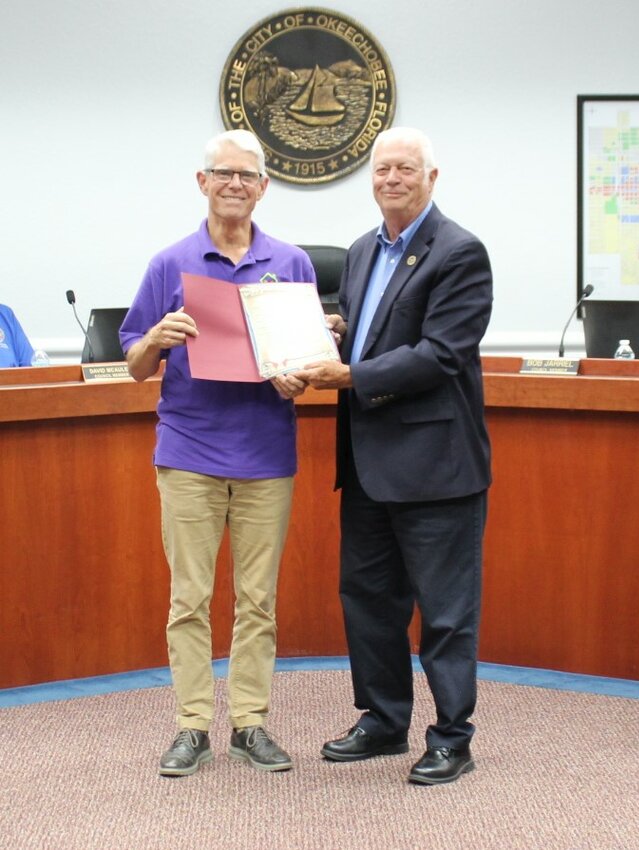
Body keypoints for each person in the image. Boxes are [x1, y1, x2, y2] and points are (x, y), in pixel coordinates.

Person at [293, 127, 493, 785]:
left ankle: (451, 739)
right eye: (382, 169)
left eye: (406, 168)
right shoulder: (359, 252)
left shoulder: (460, 252)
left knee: (445, 612)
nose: (391, 179)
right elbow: (366, 328)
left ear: (432, 177)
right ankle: (383, 722)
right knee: (369, 599)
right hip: (368, 465)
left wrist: (352, 376)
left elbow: (441, 352)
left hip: (437, 466)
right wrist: (334, 330)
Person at [119, 129, 315, 777]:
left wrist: (301, 375)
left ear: (263, 188)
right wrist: (156, 336)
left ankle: (251, 723)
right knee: (190, 598)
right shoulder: (167, 264)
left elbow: (307, 364)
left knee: (258, 599)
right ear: (201, 182)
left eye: (247, 176)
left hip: (265, 451)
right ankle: (192, 725)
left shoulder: (291, 263)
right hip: (189, 452)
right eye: (222, 174)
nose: (235, 185)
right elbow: (135, 368)